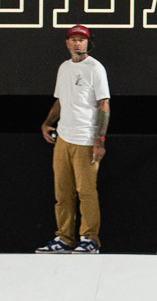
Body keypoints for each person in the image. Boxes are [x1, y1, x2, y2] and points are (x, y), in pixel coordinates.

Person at [37, 24, 109, 254]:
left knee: (86, 192)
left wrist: (100, 140)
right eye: (74, 39)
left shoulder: (95, 68)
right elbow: (61, 100)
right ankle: (64, 238)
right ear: (67, 43)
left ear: (88, 43)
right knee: (63, 193)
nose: (78, 43)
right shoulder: (64, 68)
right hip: (63, 138)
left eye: (82, 39)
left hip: (85, 138)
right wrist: (47, 122)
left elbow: (104, 104)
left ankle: (90, 239)